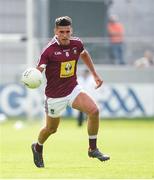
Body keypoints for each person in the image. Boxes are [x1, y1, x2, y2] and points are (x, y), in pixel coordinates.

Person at [31, 16, 110, 168]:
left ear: (71, 30)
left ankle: (92, 149)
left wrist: (94, 74)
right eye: (62, 32)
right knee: (51, 129)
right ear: (56, 32)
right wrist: (34, 76)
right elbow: (39, 68)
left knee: (94, 111)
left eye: (68, 31)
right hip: (54, 96)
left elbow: (84, 54)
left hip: (73, 88)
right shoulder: (49, 50)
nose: (65, 35)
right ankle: (37, 147)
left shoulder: (77, 43)